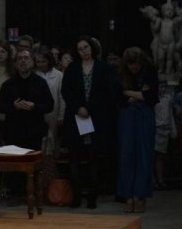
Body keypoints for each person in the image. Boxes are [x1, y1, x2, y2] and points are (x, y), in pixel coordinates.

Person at [60, 36, 117, 209]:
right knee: (75, 157)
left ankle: (92, 195)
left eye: (86, 47)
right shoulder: (72, 68)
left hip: (96, 117)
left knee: (95, 157)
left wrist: (89, 108)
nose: (84, 51)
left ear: (91, 48)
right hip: (76, 117)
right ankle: (76, 195)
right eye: (80, 49)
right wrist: (78, 107)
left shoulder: (103, 68)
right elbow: (66, 91)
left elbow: (106, 92)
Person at [114, 47, 157, 213]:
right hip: (127, 117)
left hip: (145, 116)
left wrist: (130, 94)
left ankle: (140, 195)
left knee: (144, 155)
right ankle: (128, 196)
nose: (134, 67)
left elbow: (152, 97)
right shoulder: (120, 74)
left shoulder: (149, 71)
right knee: (126, 155)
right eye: (131, 64)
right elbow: (118, 97)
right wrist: (140, 94)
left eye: (137, 64)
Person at [0, 48, 55, 152]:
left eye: (26, 58)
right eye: (19, 58)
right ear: (15, 64)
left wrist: (34, 106)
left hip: (34, 132)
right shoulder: (8, 84)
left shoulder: (41, 83)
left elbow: (50, 105)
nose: (23, 61)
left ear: (32, 62)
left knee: (33, 165)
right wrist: (13, 106)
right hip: (13, 132)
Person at [32, 47, 62, 156]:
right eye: (38, 62)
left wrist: (61, 116)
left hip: (54, 112)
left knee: (53, 140)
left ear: (49, 61)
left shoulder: (58, 75)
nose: (41, 64)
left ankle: (50, 165)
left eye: (43, 61)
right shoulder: (34, 74)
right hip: (38, 112)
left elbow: (61, 96)